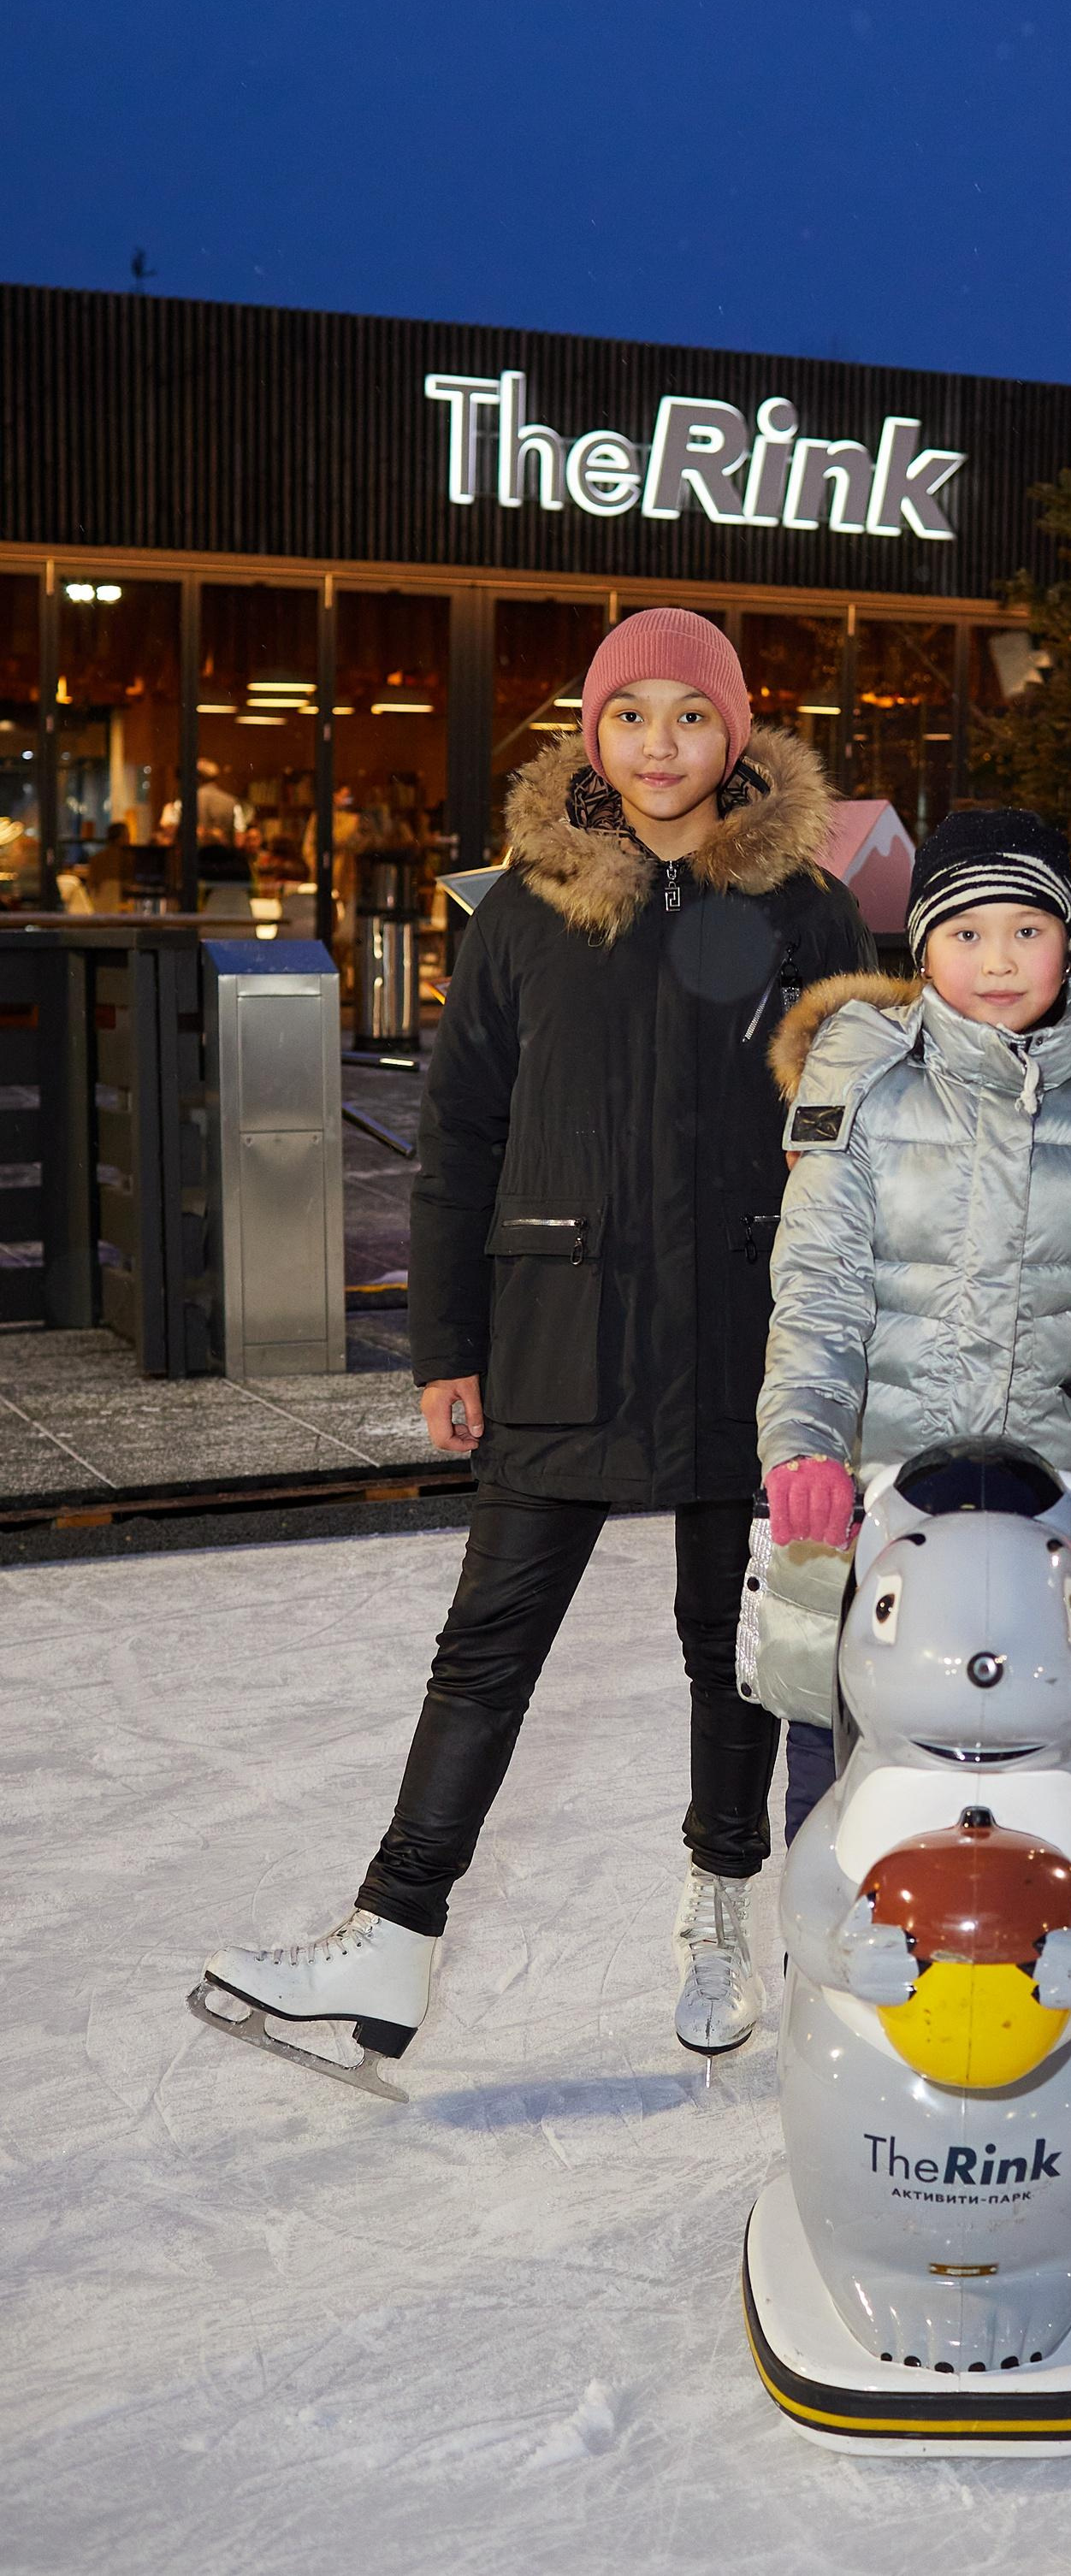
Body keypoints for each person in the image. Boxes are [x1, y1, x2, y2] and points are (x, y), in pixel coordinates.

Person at [193, 608, 874, 2088]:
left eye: (689, 713)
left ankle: (721, 1899)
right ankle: (394, 1927)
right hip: (564, 1320)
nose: (659, 742)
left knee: (731, 1645)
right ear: (588, 733)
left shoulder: (810, 912)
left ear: (736, 731)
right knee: (488, 1638)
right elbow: (460, 1135)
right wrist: (447, 1343)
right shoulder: (520, 910)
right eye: (629, 713)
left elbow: (860, 1132)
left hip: (750, 1330)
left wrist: (853, 1334)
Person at [755, 806, 1071, 1695]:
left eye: (1027, 930)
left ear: (1068, 940)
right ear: (922, 948)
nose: (998, 961)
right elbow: (820, 1289)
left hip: (1040, 1507)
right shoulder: (861, 1084)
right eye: (966, 933)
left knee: (1039, 1735)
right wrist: (805, 1443)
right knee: (847, 1746)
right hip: (867, 1496)